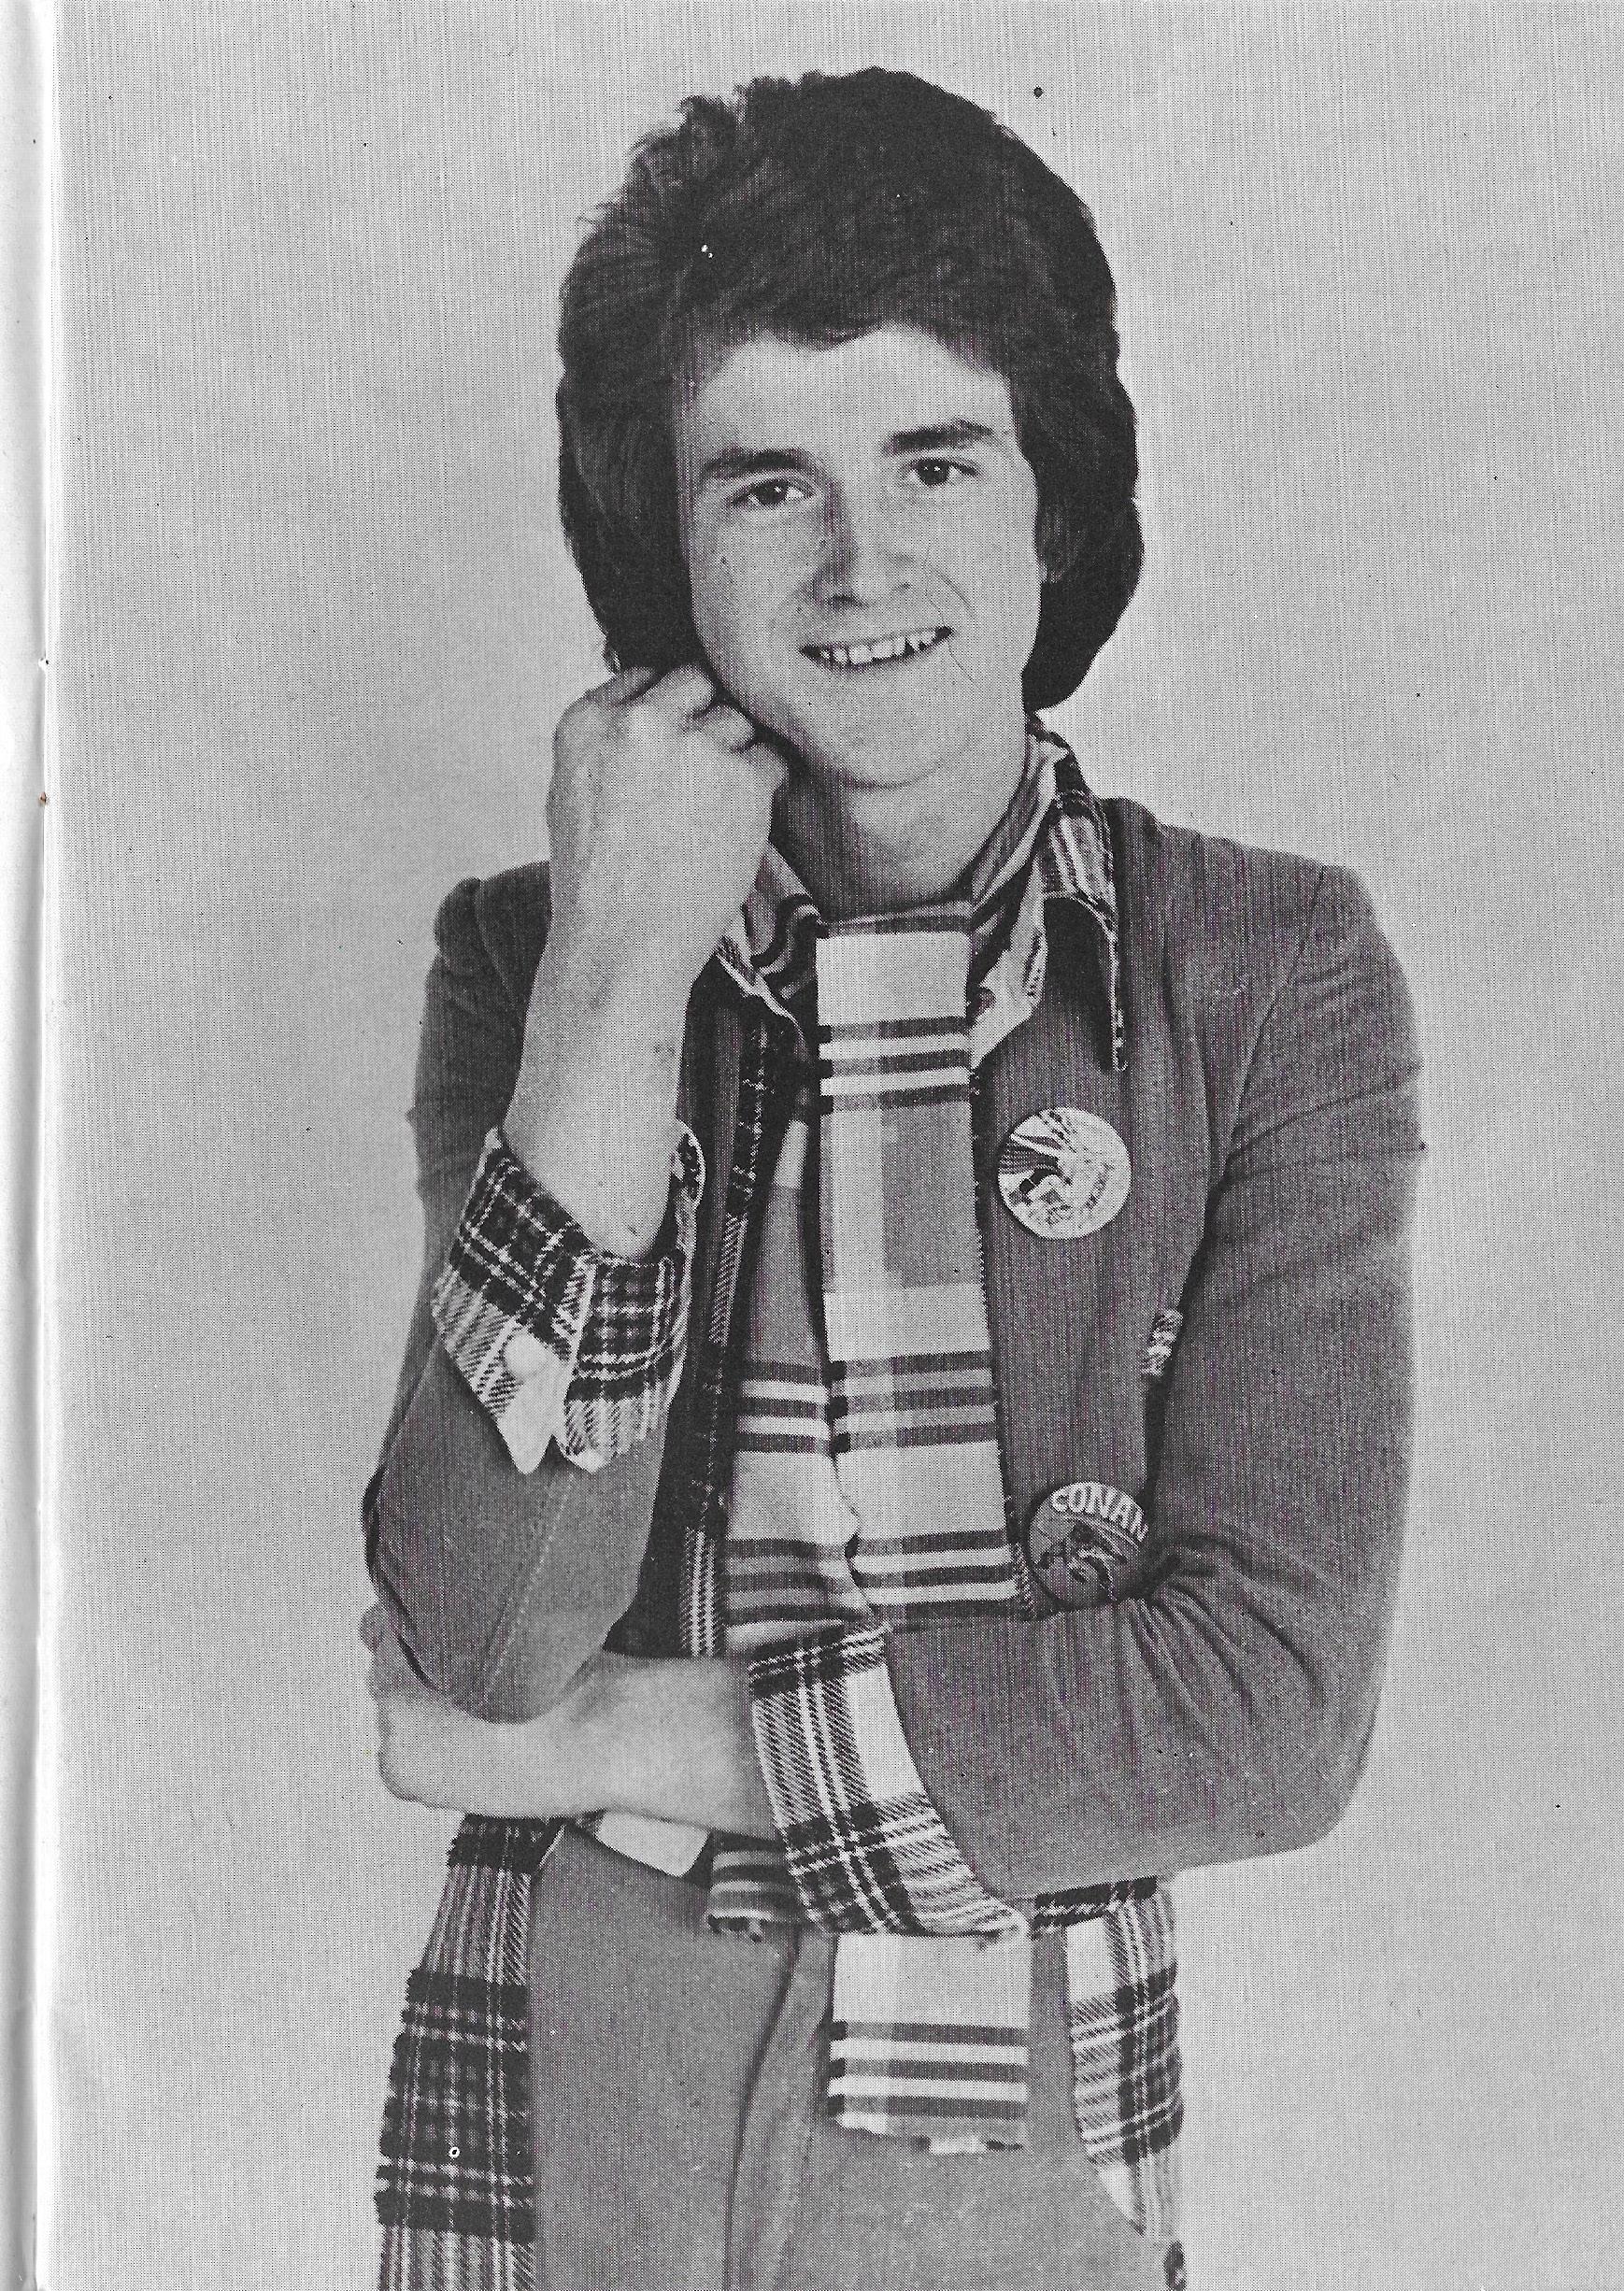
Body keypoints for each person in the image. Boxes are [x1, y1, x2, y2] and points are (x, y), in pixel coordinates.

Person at [360, 65, 1422, 2291]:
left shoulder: (1263, 970)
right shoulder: (528, 956)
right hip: (565, 2098)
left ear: (1053, 505)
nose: (860, 565)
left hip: (1014, 2131)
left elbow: (1265, 1710)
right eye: (768, 484)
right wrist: (615, 984)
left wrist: (628, 1732)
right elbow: (483, 1624)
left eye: (934, 459)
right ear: (666, 549)